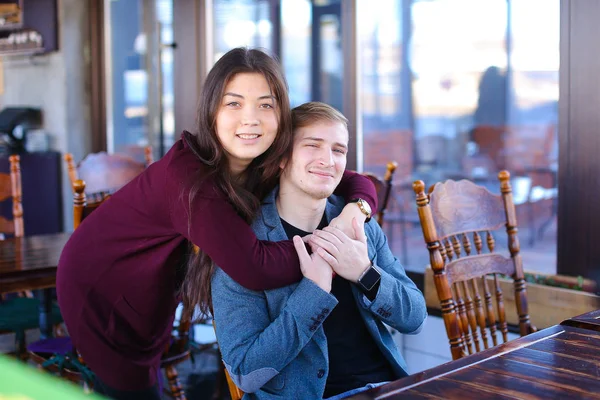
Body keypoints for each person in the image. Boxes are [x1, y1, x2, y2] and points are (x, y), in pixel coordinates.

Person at [56, 48, 378, 399]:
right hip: (100, 284)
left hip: (154, 282)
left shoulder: (261, 157)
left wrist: (355, 210)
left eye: (265, 105)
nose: (250, 119)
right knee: (132, 388)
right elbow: (255, 267)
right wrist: (332, 246)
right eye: (234, 103)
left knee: (150, 366)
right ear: (211, 110)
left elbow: (353, 180)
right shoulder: (188, 179)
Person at [212, 102, 427, 399]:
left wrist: (365, 274)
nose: (328, 160)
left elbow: (415, 319)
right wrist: (313, 293)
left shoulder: (356, 224)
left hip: (386, 388)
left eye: (338, 150)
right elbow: (246, 372)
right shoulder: (243, 242)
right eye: (313, 145)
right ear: (283, 157)